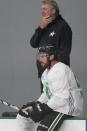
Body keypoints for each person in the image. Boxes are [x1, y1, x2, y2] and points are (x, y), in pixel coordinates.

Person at [16, 45, 83, 131]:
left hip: (66, 107)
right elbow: (47, 93)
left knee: (42, 130)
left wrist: (44, 108)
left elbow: (61, 98)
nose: (40, 59)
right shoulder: (46, 72)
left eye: (43, 56)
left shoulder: (60, 70)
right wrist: (37, 104)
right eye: (40, 56)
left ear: (51, 56)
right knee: (24, 118)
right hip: (56, 105)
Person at [30, 0, 72, 93]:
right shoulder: (44, 26)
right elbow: (33, 43)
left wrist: (54, 71)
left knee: (57, 102)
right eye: (41, 9)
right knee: (45, 102)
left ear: (53, 11)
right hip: (44, 72)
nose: (42, 12)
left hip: (56, 74)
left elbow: (64, 53)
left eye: (45, 9)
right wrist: (40, 28)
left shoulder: (63, 27)